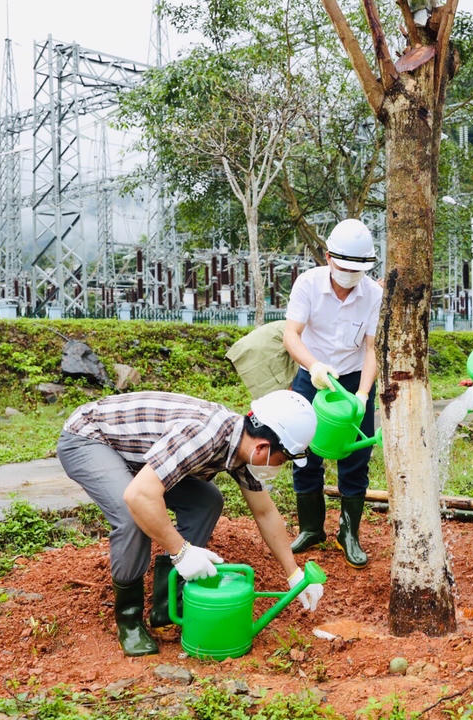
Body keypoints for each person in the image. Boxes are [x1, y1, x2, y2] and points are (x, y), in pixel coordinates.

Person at [57, 389, 322, 656]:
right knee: (133, 514)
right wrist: (181, 551)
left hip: (139, 452)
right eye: (283, 459)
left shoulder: (243, 448)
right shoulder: (204, 436)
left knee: (206, 501)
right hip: (91, 438)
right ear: (262, 447)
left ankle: (166, 605)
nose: (280, 466)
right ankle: (129, 619)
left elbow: (265, 512)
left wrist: (294, 573)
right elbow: (139, 496)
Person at [282, 218, 383, 569]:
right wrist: (314, 366)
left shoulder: (374, 295)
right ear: (328, 258)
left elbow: (372, 348)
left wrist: (363, 395)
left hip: (354, 380)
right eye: (345, 268)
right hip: (313, 377)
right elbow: (291, 334)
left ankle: (348, 533)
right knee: (304, 451)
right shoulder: (308, 284)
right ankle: (311, 528)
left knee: (355, 456)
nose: (351, 275)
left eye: (358, 270)